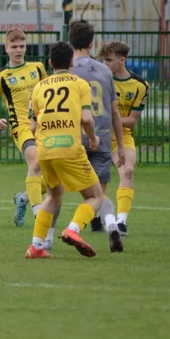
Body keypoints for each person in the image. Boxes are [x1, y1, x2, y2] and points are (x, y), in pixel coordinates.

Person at [27, 42, 105, 259]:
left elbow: (33, 126)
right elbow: (87, 118)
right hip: (69, 148)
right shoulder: (80, 84)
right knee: (95, 196)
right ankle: (73, 229)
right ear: (71, 62)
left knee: (53, 195)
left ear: (50, 63)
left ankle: (36, 246)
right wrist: (92, 138)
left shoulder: (39, 87)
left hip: (44, 150)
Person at [68, 20, 126, 253]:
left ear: (70, 41)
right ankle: (110, 223)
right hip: (101, 138)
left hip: (73, 139)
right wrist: (120, 145)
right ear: (92, 43)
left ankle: (62, 233)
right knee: (98, 194)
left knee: (70, 193)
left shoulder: (65, 69)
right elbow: (114, 112)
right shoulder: (104, 70)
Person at [0, 28, 48, 227]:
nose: (18, 50)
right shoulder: (1, 76)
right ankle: (40, 218)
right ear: (6, 48)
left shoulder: (38, 68)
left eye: (21, 46)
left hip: (43, 125)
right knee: (35, 164)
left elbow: (48, 93)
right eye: (14, 46)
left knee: (53, 175)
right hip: (20, 126)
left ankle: (23, 198)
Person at [98, 41, 147, 236]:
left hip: (122, 137)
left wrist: (112, 121)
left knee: (127, 171)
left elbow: (132, 120)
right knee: (81, 181)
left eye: (109, 60)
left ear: (122, 59)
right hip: (97, 136)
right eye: (103, 60)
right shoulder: (100, 80)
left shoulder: (140, 85)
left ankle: (121, 222)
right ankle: (27, 196)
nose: (105, 64)